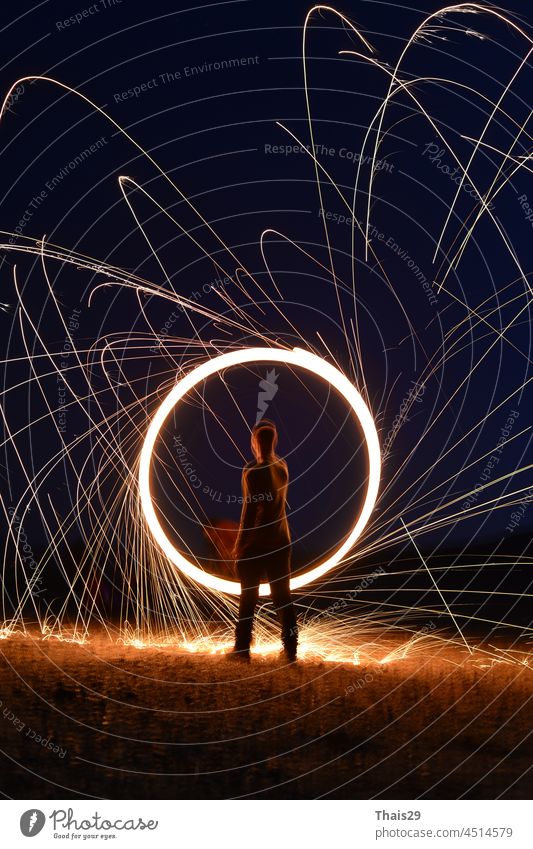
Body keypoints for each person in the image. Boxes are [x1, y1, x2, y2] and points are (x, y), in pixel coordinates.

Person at [229, 419, 297, 662]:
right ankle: (291, 650)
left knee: (248, 598)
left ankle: (241, 649)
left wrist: (240, 544)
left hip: (257, 544)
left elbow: (250, 512)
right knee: (283, 597)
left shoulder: (253, 472)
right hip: (281, 541)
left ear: (254, 443)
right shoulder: (283, 467)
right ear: (274, 442)